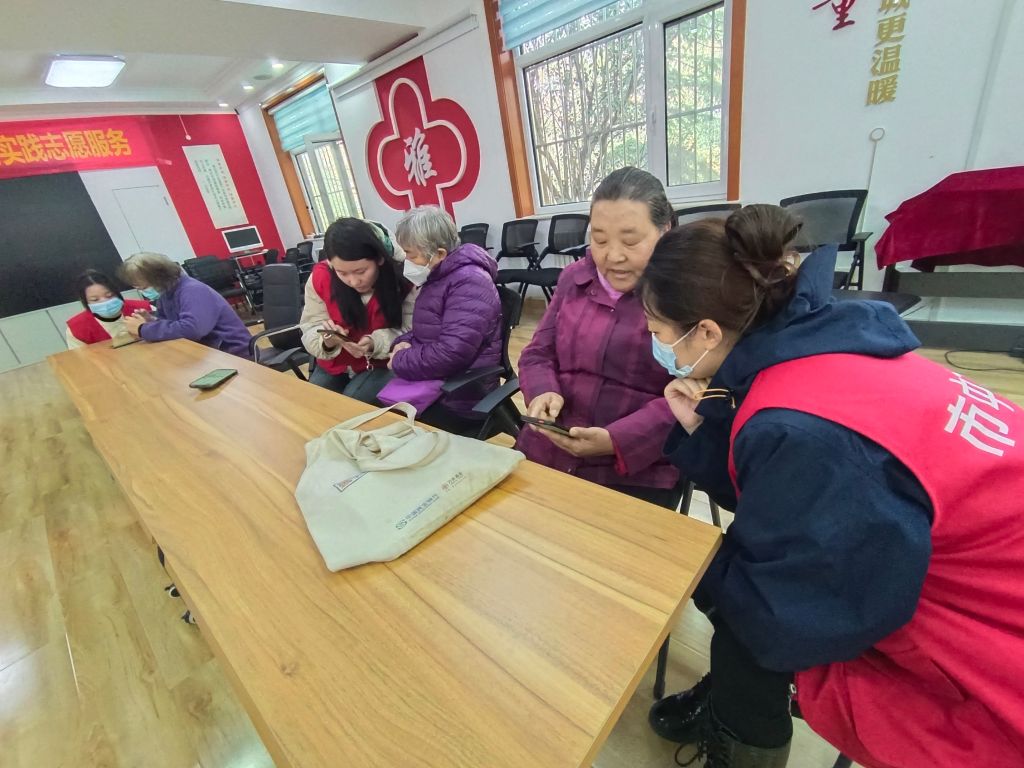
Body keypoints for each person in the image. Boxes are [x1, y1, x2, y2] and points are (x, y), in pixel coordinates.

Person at [641, 205, 1024, 767]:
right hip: (963, 553)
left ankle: (740, 738)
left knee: (747, 620)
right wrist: (707, 430)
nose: (655, 345)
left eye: (657, 332)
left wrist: (696, 567)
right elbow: (795, 501)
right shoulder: (830, 339)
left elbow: (791, 614)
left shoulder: (799, 424)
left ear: (706, 332)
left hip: (989, 638)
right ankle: (730, 699)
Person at [516, 167, 680, 508]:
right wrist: (543, 391)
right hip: (549, 449)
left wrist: (617, 440)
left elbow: (698, 394)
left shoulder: (686, 290)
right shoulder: (574, 278)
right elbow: (537, 353)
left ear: (665, 230)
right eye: (600, 240)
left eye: (630, 241)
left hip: (635, 469)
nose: (613, 256)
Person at [385, 205, 502, 433]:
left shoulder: (469, 282)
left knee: (389, 425)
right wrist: (402, 343)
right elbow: (430, 329)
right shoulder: (440, 277)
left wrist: (400, 360)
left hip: (460, 393)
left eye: (411, 254)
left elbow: (452, 352)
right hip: (440, 381)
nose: (406, 261)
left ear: (439, 254)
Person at [299, 218, 414, 394]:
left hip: (382, 362)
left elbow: (410, 330)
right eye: (342, 273)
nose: (353, 281)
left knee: (353, 400)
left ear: (379, 259)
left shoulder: (404, 279)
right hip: (335, 362)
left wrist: (374, 343)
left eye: (361, 271)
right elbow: (310, 325)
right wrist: (327, 342)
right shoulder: (320, 277)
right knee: (315, 399)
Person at [118, 252, 252, 358]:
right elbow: (172, 323)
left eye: (144, 287)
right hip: (205, 352)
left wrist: (143, 329)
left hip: (232, 353)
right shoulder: (166, 293)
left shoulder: (193, 290)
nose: (143, 292)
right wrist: (152, 321)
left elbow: (192, 330)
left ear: (159, 277)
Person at [65, 269, 152, 348]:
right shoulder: (77, 329)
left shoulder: (144, 308)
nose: (104, 301)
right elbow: (80, 358)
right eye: (95, 300)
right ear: (85, 302)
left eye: (109, 295)